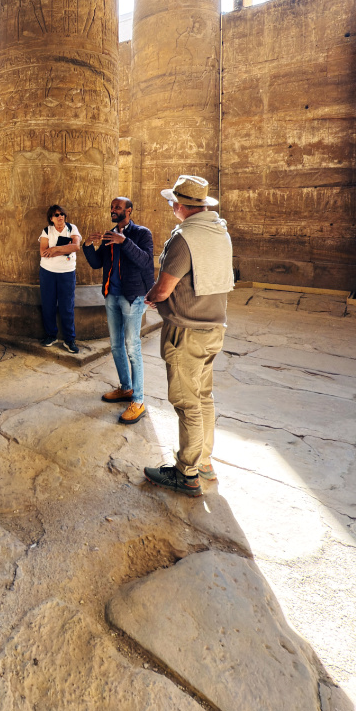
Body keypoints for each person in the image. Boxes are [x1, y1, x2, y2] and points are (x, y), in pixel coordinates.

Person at [143, 175, 234, 498]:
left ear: (181, 206)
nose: (171, 206)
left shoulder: (185, 238)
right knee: (203, 396)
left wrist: (151, 297)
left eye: (172, 202)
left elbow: (165, 287)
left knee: (186, 403)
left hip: (186, 330)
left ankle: (187, 472)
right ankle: (204, 461)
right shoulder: (218, 232)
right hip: (213, 328)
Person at [83, 197, 154, 424]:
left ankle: (139, 400)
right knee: (115, 346)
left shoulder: (143, 233)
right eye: (112, 207)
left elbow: (145, 262)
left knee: (133, 348)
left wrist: (124, 242)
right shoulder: (108, 235)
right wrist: (87, 245)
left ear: (129, 211)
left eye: (117, 208)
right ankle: (126, 388)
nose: (113, 210)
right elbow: (97, 264)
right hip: (111, 296)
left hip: (132, 298)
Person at [39, 204, 82, 353]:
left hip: (67, 272)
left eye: (62, 214)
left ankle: (69, 339)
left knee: (67, 306)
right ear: (51, 218)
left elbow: (76, 247)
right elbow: (43, 253)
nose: (60, 217)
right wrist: (65, 250)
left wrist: (55, 249)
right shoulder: (46, 231)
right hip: (48, 272)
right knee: (48, 304)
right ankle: (51, 335)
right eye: (56, 215)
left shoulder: (72, 228)